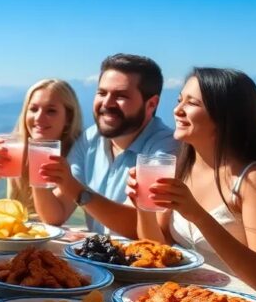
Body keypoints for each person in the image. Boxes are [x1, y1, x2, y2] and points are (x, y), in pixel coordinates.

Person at [95, 68, 256, 302]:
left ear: (225, 116)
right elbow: (160, 250)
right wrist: (144, 206)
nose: (178, 110)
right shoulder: (183, 165)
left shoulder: (255, 178)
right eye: (179, 100)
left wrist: (199, 216)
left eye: (192, 104)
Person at [34, 53, 178, 232]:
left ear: (151, 104)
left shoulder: (165, 149)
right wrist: (37, 171)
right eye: (102, 93)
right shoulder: (90, 138)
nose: (107, 103)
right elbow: (55, 215)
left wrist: (76, 190)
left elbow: (140, 228)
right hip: (97, 257)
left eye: (121, 96)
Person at [0, 79, 83, 215]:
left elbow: (55, 217)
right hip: (17, 233)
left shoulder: (77, 155)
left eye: (51, 111)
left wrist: (37, 163)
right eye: (33, 109)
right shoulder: (15, 148)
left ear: (68, 117)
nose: (39, 117)